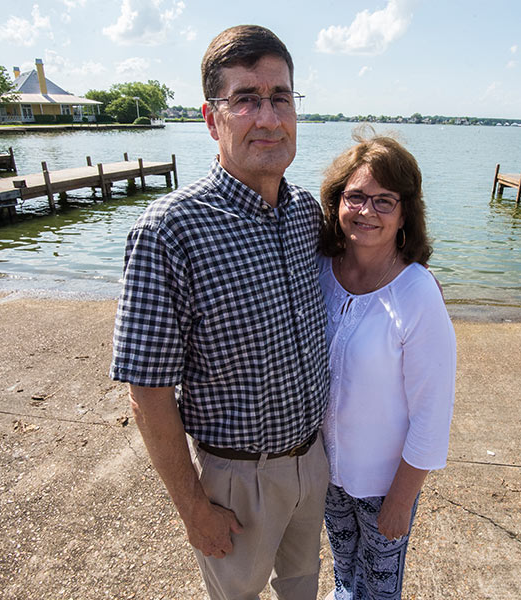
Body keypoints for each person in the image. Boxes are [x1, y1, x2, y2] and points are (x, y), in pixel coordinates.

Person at [110, 25, 330, 600]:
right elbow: (148, 391)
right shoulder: (170, 231)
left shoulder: (306, 213)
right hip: (235, 477)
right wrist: (192, 508)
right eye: (245, 100)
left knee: (303, 587)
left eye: (280, 97)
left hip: (312, 460)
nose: (267, 117)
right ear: (212, 120)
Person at [317, 135, 456, 600]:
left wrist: (401, 499)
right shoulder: (321, 270)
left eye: (384, 200)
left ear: (404, 213)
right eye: (355, 196)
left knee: (376, 593)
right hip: (327, 476)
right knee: (343, 578)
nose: (366, 211)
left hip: (384, 485)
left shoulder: (416, 293)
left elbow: (432, 413)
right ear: (337, 202)